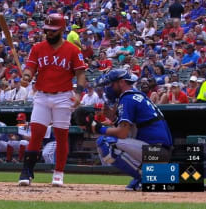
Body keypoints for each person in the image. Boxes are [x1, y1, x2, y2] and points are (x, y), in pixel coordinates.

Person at [18, 13, 87, 187]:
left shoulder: (73, 50)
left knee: (61, 136)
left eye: (53, 31)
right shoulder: (38, 48)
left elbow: (80, 73)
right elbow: (30, 68)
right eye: (47, 30)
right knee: (36, 134)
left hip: (63, 96)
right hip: (42, 95)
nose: (49, 33)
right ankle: (27, 171)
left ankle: (59, 172)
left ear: (62, 30)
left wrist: (78, 93)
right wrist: (26, 77)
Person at [87, 69, 172, 191]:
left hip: (156, 151)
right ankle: (144, 177)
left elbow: (122, 133)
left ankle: (150, 177)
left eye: (111, 84)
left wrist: (99, 128)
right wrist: (112, 117)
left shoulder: (127, 98)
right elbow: (130, 129)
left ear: (121, 82)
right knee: (110, 141)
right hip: (158, 151)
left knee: (105, 142)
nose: (108, 88)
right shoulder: (136, 95)